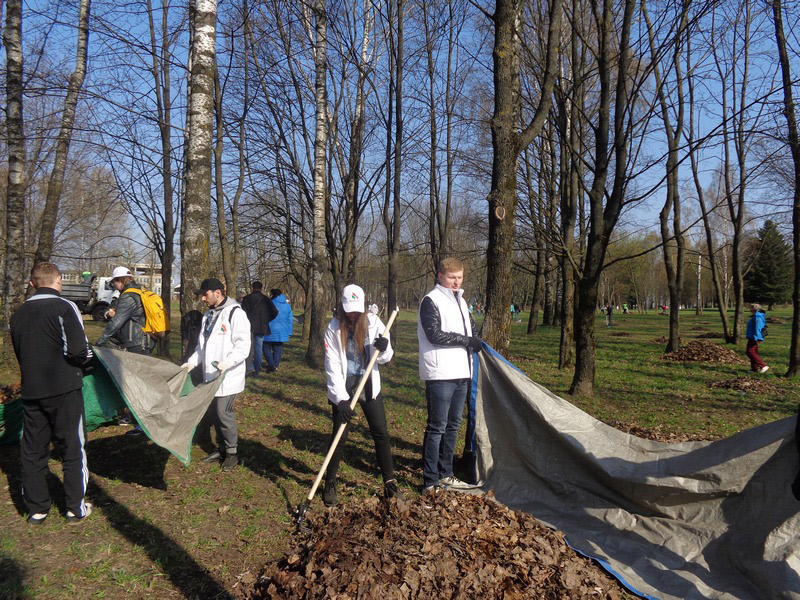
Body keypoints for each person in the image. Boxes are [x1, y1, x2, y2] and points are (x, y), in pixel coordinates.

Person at [10, 262, 93, 524]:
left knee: (33, 450)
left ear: (33, 283)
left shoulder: (19, 312)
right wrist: (90, 364)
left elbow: (19, 351)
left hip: (32, 391)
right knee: (72, 447)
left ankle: (37, 509)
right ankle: (74, 508)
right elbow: (78, 350)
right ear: (58, 280)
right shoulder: (65, 307)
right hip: (64, 388)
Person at [322, 284, 401, 506]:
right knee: (339, 436)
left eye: (357, 309)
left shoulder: (374, 323)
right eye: (349, 309)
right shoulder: (333, 328)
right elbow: (332, 365)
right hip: (345, 389)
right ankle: (330, 481)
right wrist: (341, 399)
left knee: (381, 434)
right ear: (342, 306)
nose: (354, 314)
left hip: (369, 387)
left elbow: (386, 357)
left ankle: (390, 482)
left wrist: (384, 347)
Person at [418, 257, 482, 494]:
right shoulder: (430, 301)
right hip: (440, 373)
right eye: (452, 277)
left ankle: (446, 474)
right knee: (437, 427)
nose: (456, 282)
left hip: (461, 372)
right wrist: (467, 341)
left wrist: (476, 340)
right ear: (440, 275)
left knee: (453, 426)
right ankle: (430, 480)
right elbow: (434, 334)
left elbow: (471, 330)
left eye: (460, 277)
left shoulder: (461, 302)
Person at [182, 278, 251, 471]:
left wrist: (228, 362)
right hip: (210, 376)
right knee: (214, 413)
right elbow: (201, 346)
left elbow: (243, 345)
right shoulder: (208, 316)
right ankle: (221, 448)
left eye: (206, 294)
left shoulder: (236, 314)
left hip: (228, 376)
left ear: (217, 293)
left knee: (223, 413)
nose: (203, 298)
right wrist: (192, 363)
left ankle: (232, 453)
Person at [95, 266, 152, 354]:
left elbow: (115, 323)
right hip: (142, 342)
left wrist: (98, 344)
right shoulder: (137, 291)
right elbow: (110, 308)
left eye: (113, 282)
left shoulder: (128, 296)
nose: (113, 285)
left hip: (134, 344)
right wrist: (108, 313)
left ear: (120, 280)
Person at [240, 281, 278, 377]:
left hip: (248, 327)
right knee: (258, 349)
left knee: (247, 348)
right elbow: (275, 312)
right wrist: (267, 320)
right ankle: (256, 370)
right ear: (261, 288)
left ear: (252, 287)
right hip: (261, 326)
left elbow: (242, 313)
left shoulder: (247, 299)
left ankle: (248, 368)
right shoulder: (266, 299)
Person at [263, 288, 293, 372]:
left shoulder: (268, 303)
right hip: (281, 331)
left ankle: (271, 364)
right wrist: (289, 332)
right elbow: (290, 319)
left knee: (265, 348)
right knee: (277, 349)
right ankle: (275, 365)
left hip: (268, 330)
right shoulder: (287, 305)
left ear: (272, 294)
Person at [746, 303, 769, 373]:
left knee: (749, 351)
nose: (749, 309)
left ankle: (763, 366)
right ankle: (754, 369)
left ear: (754, 308)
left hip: (754, 337)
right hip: (752, 336)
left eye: (750, 307)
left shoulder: (758, 316)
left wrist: (758, 338)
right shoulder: (755, 316)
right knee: (754, 352)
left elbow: (758, 328)